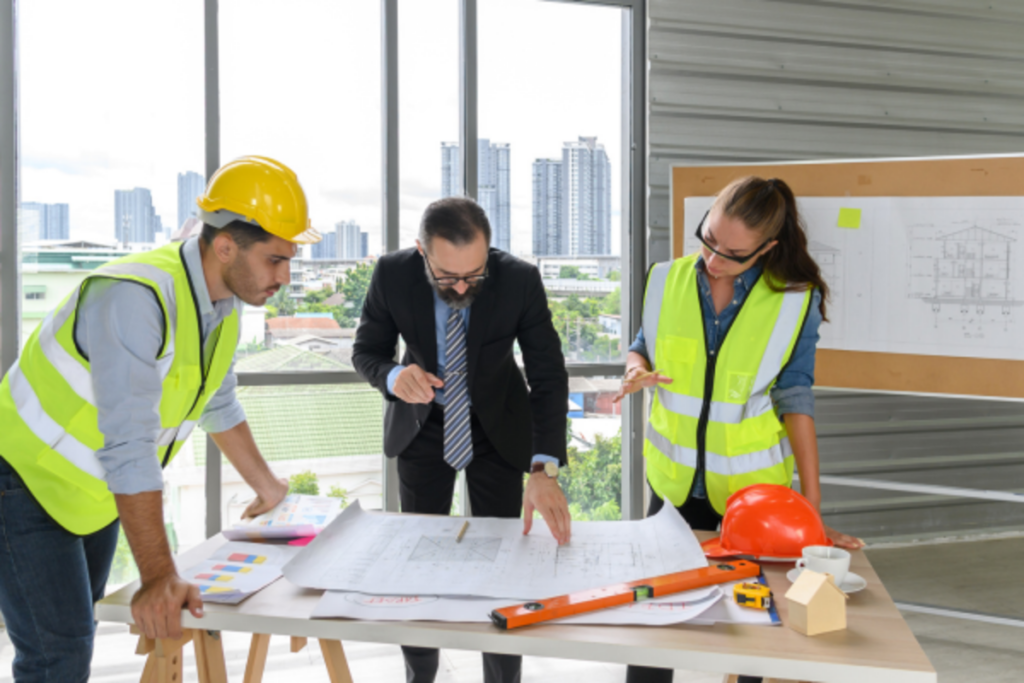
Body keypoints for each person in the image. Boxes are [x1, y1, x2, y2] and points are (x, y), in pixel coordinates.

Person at [0, 156, 320, 682]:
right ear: (224, 247)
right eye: (275, 260)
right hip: (24, 483)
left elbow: (217, 401)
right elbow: (129, 444)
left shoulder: (224, 307)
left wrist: (269, 488)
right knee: (57, 656)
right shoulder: (136, 296)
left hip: (89, 494)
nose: (285, 277)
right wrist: (159, 576)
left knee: (71, 643)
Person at [614, 176, 862, 683]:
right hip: (672, 488)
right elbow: (643, 340)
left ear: (768, 248)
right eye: (707, 238)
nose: (713, 258)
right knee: (651, 624)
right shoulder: (664, 278)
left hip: (756, 500)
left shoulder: (795, 300)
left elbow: (796, 397)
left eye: (733, 252)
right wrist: (634, 366)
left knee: (751, 627)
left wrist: (810, 510)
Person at [353, 196, 570, 683]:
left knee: (502, 565)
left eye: (475, 274)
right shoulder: (392, 273)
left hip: (499, 429)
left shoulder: (518, 279)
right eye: (448, 277)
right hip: (422, 427)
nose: (464, 286)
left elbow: (549, 375)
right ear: (421, 252)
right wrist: (392, 377)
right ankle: (421, 672)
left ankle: (501, 677)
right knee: (419, 560)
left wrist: (544, 469)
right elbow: (366, 351)